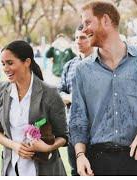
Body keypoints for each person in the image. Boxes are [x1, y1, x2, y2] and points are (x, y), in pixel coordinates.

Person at [69, 0, 137, 176]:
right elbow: (78, 119)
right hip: (97, 162)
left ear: (105, 20)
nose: (83, 30)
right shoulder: (82, 70)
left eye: (87, 23)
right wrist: (80, 155)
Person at [0, 40, 68, 176]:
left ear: (27, 62)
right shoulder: (2, 89)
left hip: (45, 170)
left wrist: (48, 147)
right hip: (11, 170)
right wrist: (15, 146)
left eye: (10, 63)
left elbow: (63, 136)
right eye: (3, 64)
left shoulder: (50, 93)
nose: (5, 68)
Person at [58, 24, 94, 176]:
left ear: (92, 39)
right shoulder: (69, 65)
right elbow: (59, 93)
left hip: (95, 130)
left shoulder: (102, 64)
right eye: (76, 38)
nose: (78, 41)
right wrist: (72, 98)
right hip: (73, 129)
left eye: (83, 38)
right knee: (76, 171)